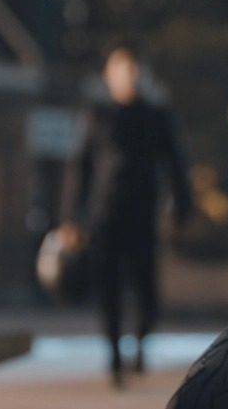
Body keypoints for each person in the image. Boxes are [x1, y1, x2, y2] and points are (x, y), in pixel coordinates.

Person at [72, 41, 192, 387]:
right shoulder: (97, 115)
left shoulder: (158, 116)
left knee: (147, 293)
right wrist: (72, 218)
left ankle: (139, 344)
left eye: (132, 69)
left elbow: (177, 166)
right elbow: (81, 168)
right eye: (120, 69)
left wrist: (183, 211)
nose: (127, 76)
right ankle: (113, 358)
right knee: (108, 290)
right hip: (103, 215)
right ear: (109, 75)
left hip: (143, 215)